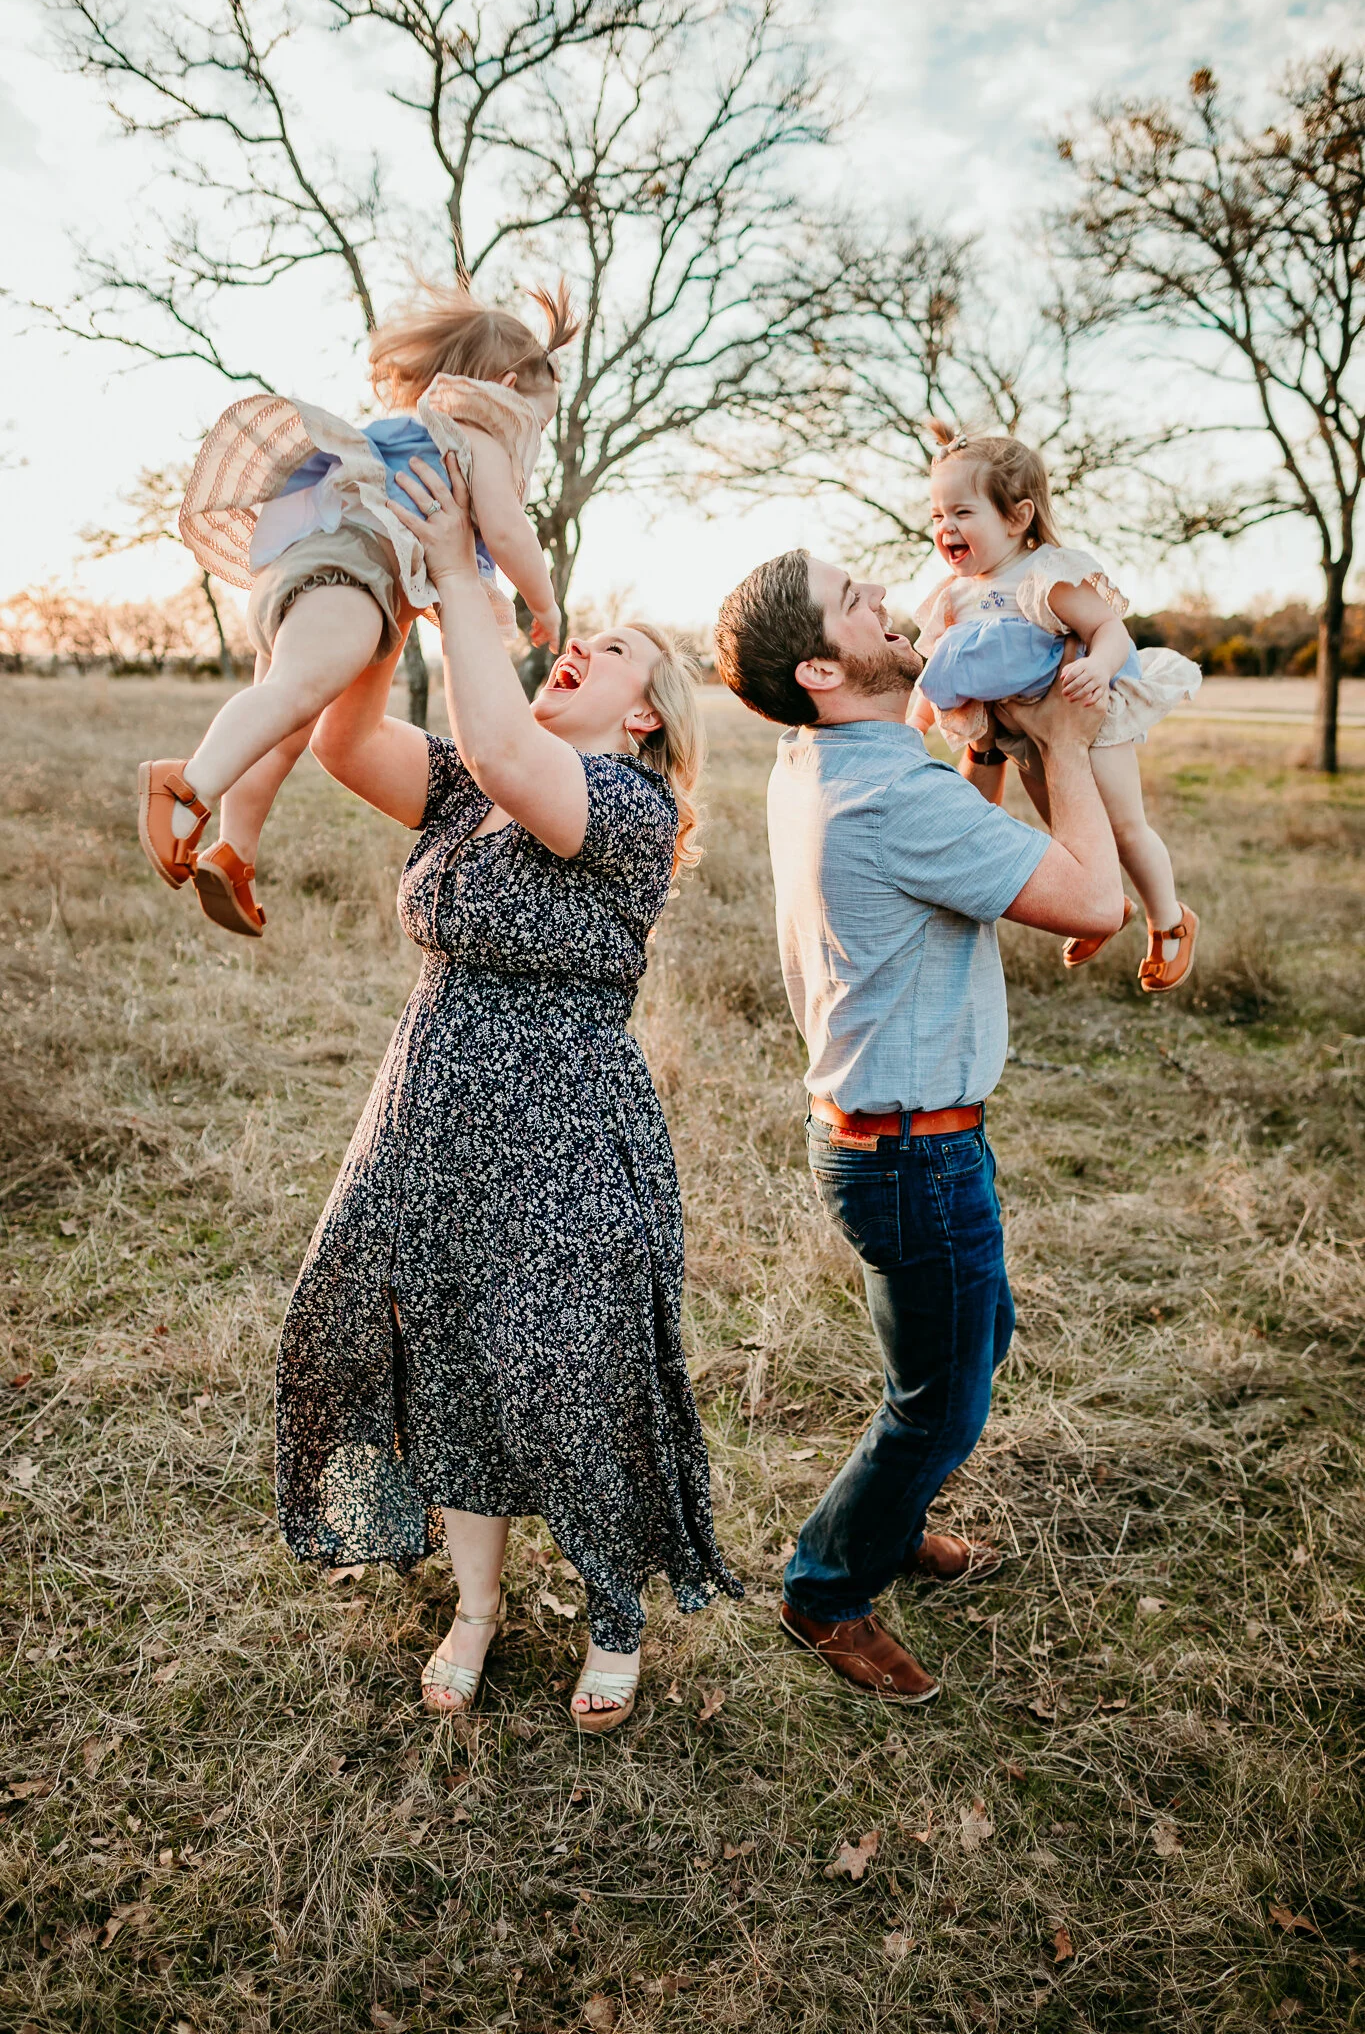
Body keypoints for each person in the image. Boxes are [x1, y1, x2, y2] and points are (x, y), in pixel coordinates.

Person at [275, 451, 740, 1735]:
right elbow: (342, 737)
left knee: (571, 1373)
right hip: (426, 1114)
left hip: (568, 1133)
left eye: (616, 647)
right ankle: (473, 1606)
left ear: (648, 714)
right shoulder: (471, 784)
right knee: (448, 1365)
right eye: (578, 634)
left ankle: (614, 1611)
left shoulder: (626, 806)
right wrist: (391, 603)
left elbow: (496, 729)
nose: (580, 643)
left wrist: (465, 578)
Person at [711, 548, 1122, 1703]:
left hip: (892, 1140)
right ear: (823, 668)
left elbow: (938, 859)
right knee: (941, 1401)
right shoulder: (889, 790)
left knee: (967, 1353)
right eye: (860, 605)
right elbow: (1096, 901)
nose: (889, 604)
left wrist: (983, 756)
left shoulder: (820, 758)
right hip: (913, 1150)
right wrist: (1070, 747)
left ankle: (885, 1531)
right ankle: (827, 1587)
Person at [136, 283, 572, 938]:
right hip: (350, 570)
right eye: (537, 422)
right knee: (294, 693)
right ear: (506, 388)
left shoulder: (413, 429)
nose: (531, 437)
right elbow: (509, 532)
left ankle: (235, 851)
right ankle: (184, 784)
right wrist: (545, 603)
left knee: (283, 723)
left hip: (311, 567)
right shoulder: (477, 435)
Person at [912, 423, 1200, 992]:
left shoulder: (1046, 574)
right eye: (937, 516)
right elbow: (934, 671)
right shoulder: (955, 596)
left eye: (963, 513)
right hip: (1027, 738)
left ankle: (1169, 920)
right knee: (1069, 833)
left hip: (1090, 718)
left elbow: (1109, 630)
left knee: (1122, 827)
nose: (946, 528)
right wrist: (911, 727)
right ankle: (1101, 905)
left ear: (1018, 517)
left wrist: (1096, 664)